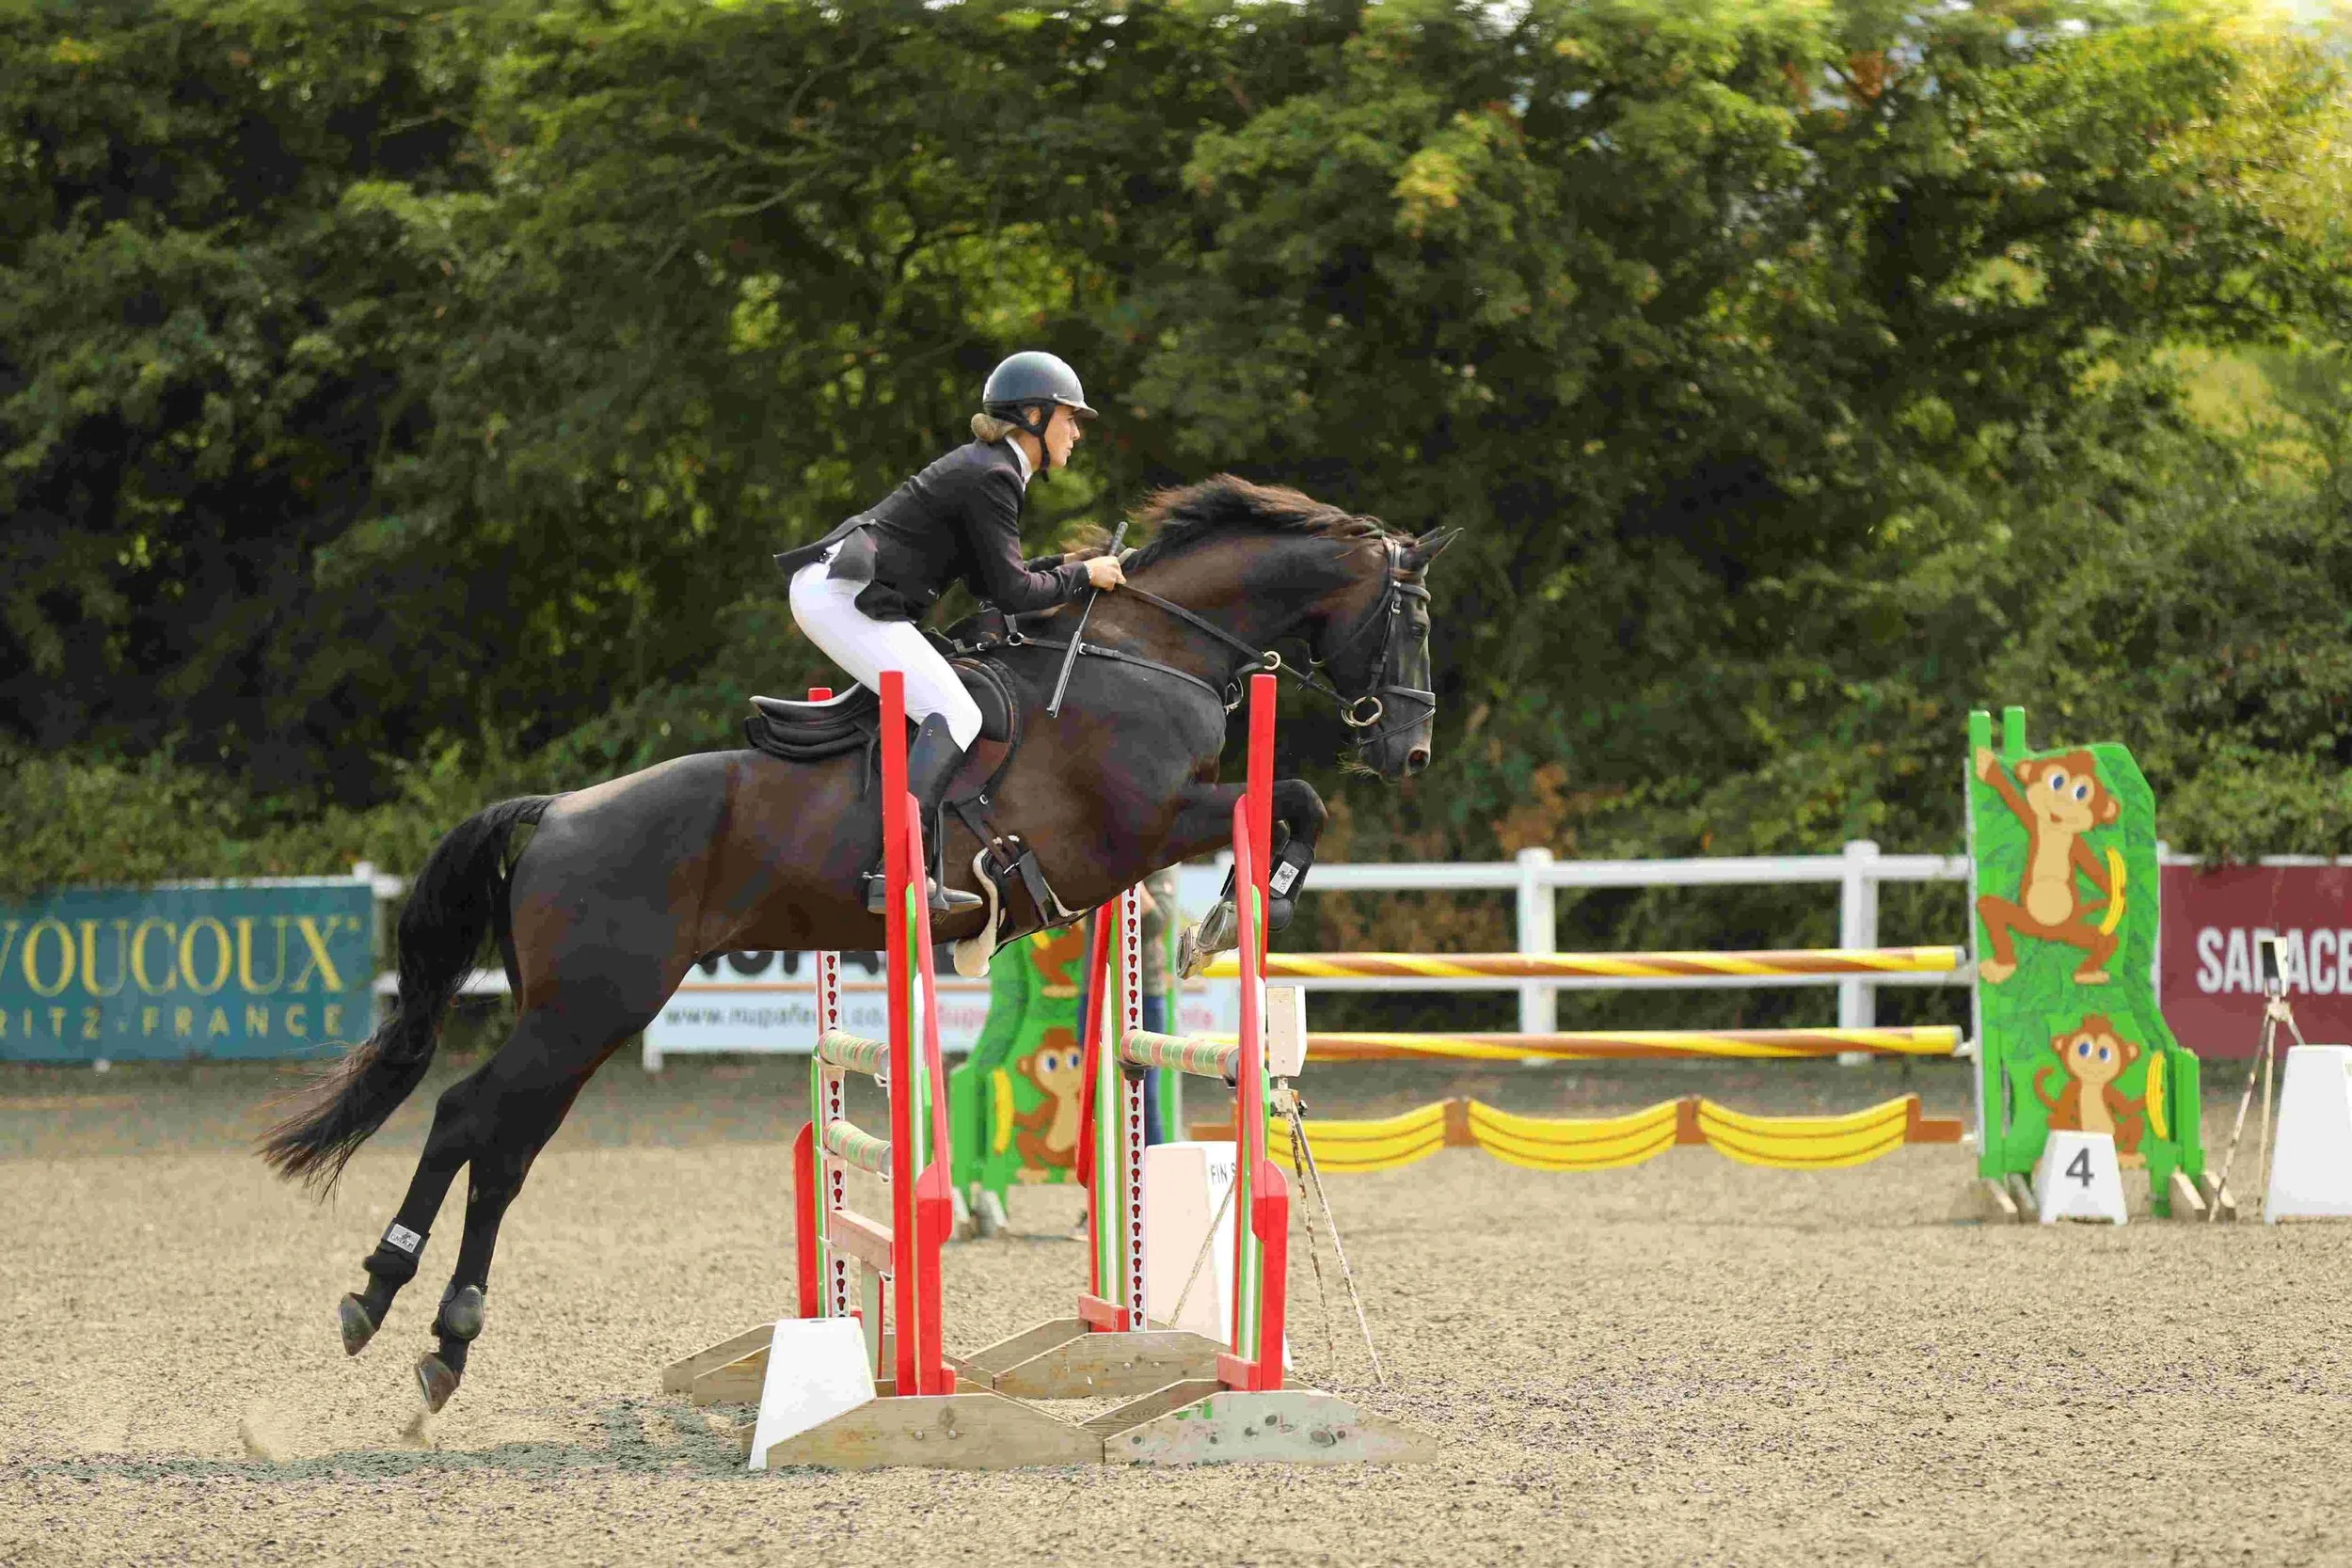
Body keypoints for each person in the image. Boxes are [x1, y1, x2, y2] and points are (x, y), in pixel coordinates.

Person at [774, 352, 1126, 911]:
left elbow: (997, 583)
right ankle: (898, 871)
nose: (1077, 432)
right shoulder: (994, 476)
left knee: (945, 709)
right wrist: (1082, 574)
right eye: (1070, 417)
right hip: (842, 598)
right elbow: (1011, 595)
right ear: (1033, 415)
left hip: (845, 594)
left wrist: (1070, 564)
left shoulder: (991, 468)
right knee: (957, 714)